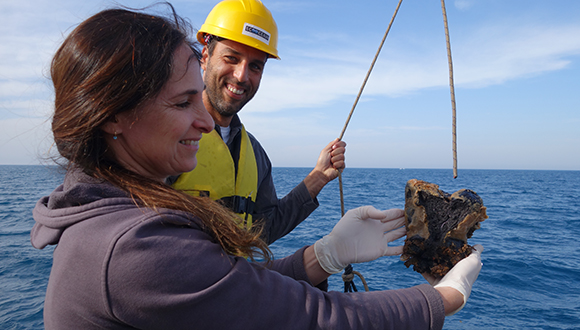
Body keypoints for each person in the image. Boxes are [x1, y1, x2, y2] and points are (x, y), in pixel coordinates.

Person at [31, 5, 484, 329]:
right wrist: (442, 298)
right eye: (182, 101)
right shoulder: (133, 245)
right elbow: (308, 316)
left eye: (258, 65)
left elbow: (235, 273)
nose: (204, 120)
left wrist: (323, 252)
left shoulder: (115, 200)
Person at [170, 0, 347, 244]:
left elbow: (264, 231)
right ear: (205, 56)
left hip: (237, 280)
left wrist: (318, 177)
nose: (242, 76)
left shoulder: (254, 154)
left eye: (255, 66)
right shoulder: (168, 133)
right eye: (231, 58)